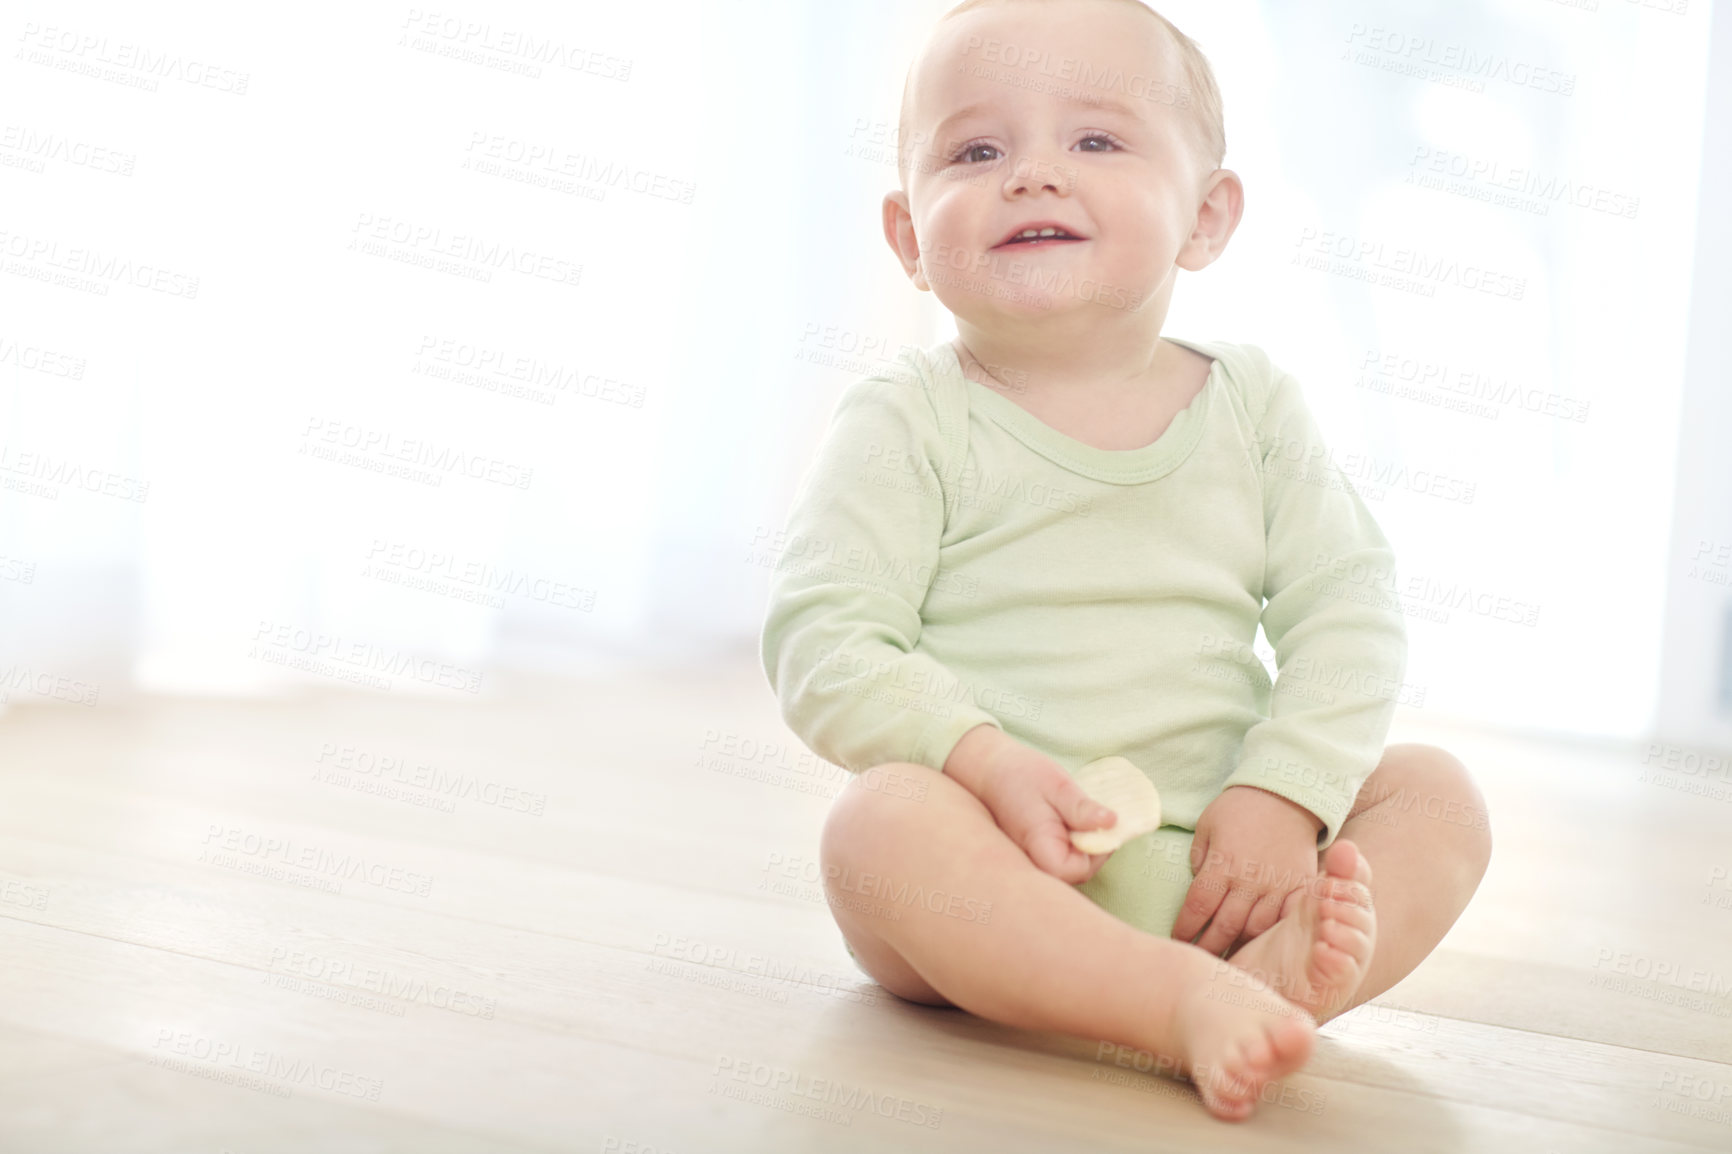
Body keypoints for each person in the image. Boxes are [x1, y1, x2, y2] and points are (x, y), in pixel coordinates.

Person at [759, 0, 1492, 1122]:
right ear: (910, 239)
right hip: (989, 876)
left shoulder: (1251, 409)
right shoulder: (906, 421)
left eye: (1095, 140)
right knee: (878, 821)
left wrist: (1283, 794)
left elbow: (1347, 607)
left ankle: (1248, 985)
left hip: (1225, 866)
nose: (1033, 175)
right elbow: (824, 635)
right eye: (977, 149)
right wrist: (982, 759)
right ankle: (1176, 1001)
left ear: (1205, 216)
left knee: (1437, 797)